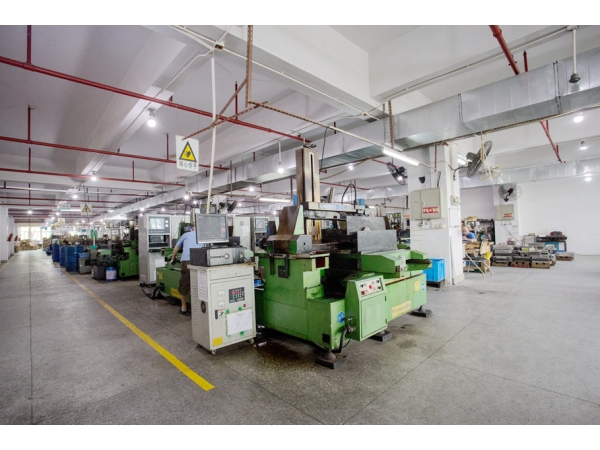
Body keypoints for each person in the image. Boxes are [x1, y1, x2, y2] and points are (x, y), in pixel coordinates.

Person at [170, 224, 203, 315]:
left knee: (185, 283)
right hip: (200, 261)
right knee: (200, 282)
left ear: (191, 229)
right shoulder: (203, 236)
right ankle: (200, 306)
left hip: (187, 261)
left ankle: (183, 307)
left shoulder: (186, 235)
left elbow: (176, 248)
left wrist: (173, 259)